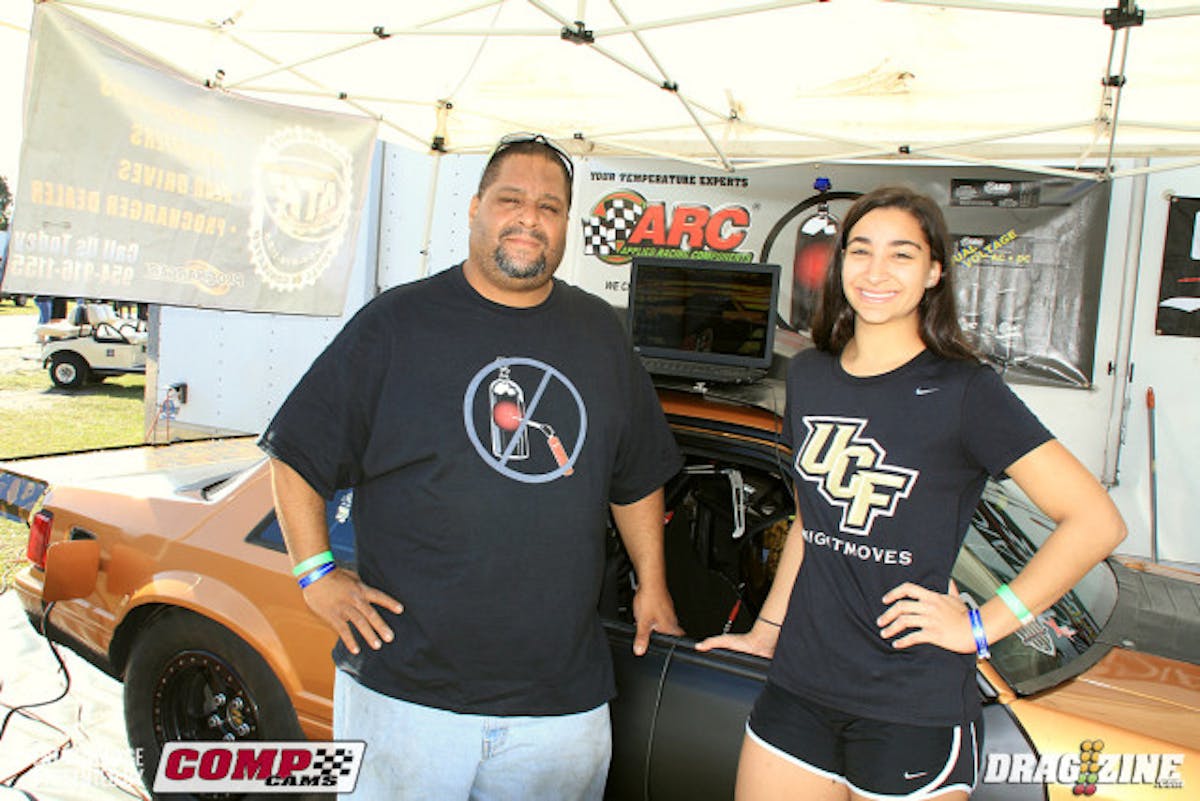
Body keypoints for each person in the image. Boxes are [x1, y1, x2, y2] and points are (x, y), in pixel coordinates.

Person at [259, 133, 684, 801]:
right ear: (475, 208)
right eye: (510, 199)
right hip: (406, 695)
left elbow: (635, 476)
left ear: (566, 224)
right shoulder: (397, 323)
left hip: (561, 705)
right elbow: (297, 451)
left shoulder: (600, 332)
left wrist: (651, 584)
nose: (529, 218)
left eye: (549, 207)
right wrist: (315, 573)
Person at [697, 186, 1125, 801]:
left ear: (933, 272)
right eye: (860, 250)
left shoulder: (966, 390)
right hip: (799, 688)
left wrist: (984, 625)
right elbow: (813, 522)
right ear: (840, 263)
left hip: (910, 704)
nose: (876, 271)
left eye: (901, 254)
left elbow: (1095, 521)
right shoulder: (811, 374)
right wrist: (767, 630)